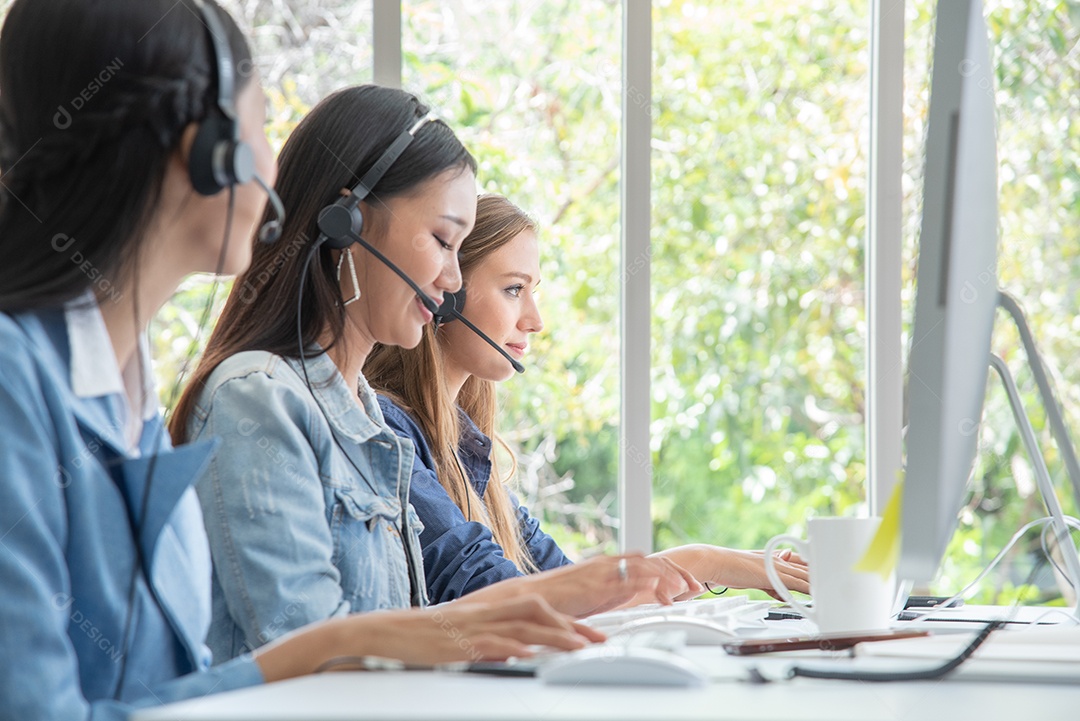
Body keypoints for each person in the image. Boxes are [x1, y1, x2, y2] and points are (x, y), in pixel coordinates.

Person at [0, 4, 597, 719]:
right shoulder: (22, 382)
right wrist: (343, 645)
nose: (275, 169)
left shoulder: (123, 393)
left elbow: (161, 693)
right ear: (205, 150)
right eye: (256, 128)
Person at [169, 84, 695, 664]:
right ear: (348, 222)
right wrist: (545, 598)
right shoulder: (258, 400)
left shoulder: (368, 416)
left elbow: (409, 632)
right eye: (444, 241)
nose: (451, 280)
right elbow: (310, 656)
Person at [365, 194, 811, 603]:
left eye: (532, 292)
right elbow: (496, 592)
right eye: (514, 290)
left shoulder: (464, 455)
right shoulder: (388, 431)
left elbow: (574, 587)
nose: (535, 320)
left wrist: (722, 564)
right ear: (445, 295)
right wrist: (705, 560)